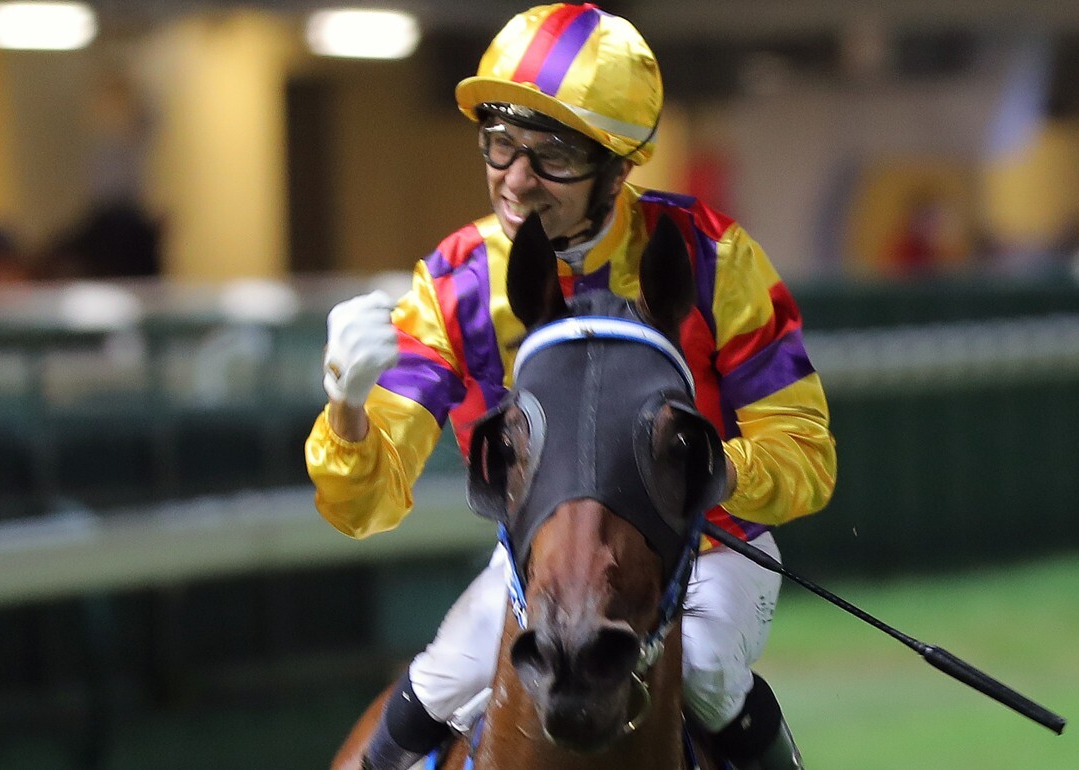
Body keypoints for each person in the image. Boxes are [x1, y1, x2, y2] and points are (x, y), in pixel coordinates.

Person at [304, 4, 837, 769]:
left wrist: (708, 470)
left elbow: (807, 458)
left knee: (712, 674)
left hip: (713, 552)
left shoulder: (719, 261)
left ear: (617, 169)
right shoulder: (455, 284)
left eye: (551, 155)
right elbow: (366, 503)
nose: (516, 180)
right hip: (543, 565)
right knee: (442, 677)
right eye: (500, 145)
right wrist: (348, 410)